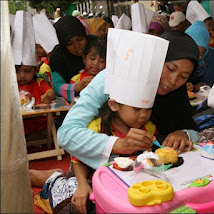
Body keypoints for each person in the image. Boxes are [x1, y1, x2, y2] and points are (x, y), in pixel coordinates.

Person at [57, 30, 200, 170]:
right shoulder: (110, 79)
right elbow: (66, 133)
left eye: (183, 76)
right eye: (170, 68)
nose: (173, 81)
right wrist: (118, 144)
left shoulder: (176, 93)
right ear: (155, 60)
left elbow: (191, 128)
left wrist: (183, 133)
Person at [69, 29, 168, 213]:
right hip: (97, 180)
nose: (143, 116)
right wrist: (82, 185)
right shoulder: (97, 127)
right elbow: (78, 159)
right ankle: (49, 180)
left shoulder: (149, 126)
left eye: (148, 110)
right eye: (136, 109)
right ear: (114, 105)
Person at [49, 16, 92, 103]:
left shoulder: (95, 47)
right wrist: (75, 87)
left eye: (80, 39)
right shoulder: (58, 56)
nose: (77, 46)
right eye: (70, 43)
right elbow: (57, 86)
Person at [185, 21, 214, 92]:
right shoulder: (179, 54)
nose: (197, 57)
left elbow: (208, 82)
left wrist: (194, 87)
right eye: (193, 52)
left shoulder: (209, 56)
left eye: (201, 54)